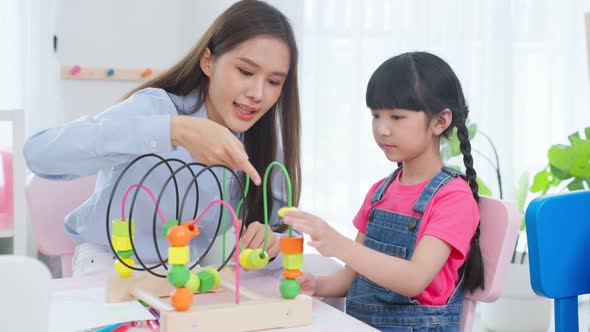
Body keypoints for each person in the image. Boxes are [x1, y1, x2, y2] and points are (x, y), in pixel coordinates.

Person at [24, 0, 301, 277]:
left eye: (274, 82)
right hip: (112, 266)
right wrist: (173, 131)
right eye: (246, 72)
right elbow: (39, 154)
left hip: (185, 274)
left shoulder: (259, 143)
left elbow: (287, 229)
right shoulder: (155, 108)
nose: (258, 93)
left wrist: (272, 240)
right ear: (208, 62)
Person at [284, 52, 483, 331]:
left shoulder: (453, 198)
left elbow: (414, 279)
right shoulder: (380, 192)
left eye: (397, 116)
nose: (382, 129)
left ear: (440, 121)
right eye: (376, 115)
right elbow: (349, 278)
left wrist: (339, 244)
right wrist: (316, 285)